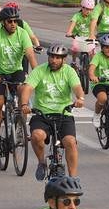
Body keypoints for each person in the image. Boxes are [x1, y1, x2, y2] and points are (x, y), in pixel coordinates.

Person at [22, 43, 85, 180]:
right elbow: (28, 88)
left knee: (70, 142)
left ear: (64, 59)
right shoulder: (39, 70)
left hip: (63, 114)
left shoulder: (69, 71)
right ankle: (41, 162)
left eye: (58, 58)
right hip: (42, 114)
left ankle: (73, 178)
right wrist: (24, 104)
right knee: (37, 136)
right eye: (52, 57)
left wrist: (80, 98)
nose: (54, 60)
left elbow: (77, 87)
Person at [0, 6, 36, 155]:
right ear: (3, 23)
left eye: (15, 21)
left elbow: (31, 55)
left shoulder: (22, 33)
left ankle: (20, 128)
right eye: (9, 21)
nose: (13, 24)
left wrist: (38, 75)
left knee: (23, 93)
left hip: (16, 71)